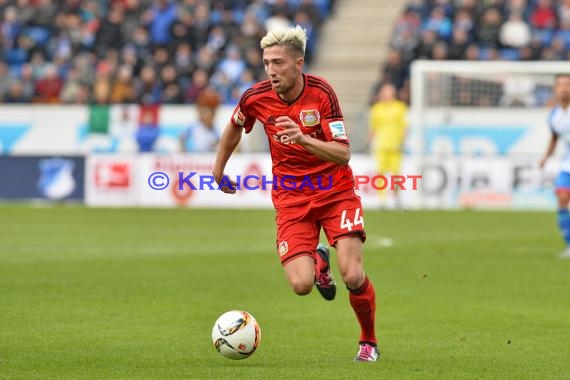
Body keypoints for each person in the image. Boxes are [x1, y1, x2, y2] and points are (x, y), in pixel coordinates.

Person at [212, 25, 379, 362]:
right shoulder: (255, 97)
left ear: (298, 63)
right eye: (266, 63)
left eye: (278, 63)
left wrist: (303, 138)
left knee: (353, 275)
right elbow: (234, 124)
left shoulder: (322, 93)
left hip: (335, 191)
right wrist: (218, 169)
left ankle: (368, 342)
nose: (272, 71)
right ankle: (319, 262)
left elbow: (343, 153)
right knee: (301, 285)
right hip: (291, 199)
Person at [539, 73, 570, 259]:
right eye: (561, 85)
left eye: (568, 84)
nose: (565, 88)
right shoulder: (554, 115)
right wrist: (545, 157)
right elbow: (555, 138)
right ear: (555, 89)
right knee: (562, 197)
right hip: (567, 164)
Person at [368, 83, 408, 209]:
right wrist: (369, 143)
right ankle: (382, 200)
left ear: (393, 93)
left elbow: (405, 127)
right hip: (381, 146)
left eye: (388, 91)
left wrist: (402, 141)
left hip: (395, 146)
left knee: (396, 174)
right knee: (380, 173)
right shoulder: (376, 108)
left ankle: (397, 198)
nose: (386, 94)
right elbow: (373, 128)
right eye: (384, 91)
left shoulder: (400, 107)